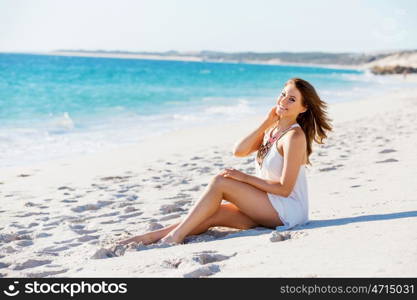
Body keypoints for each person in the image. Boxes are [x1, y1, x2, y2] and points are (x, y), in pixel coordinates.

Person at [118, 77, 332, 246]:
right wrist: (266, 122)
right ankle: (152, 236)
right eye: (283, 95)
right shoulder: (273, 130)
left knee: (221, 182)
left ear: (303, 108)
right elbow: (238, 151)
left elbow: (285, 189)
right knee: (212, 214)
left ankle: (174, 237)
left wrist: (243, 178)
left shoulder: (294, 137)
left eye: (291, 99)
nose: (283, 101)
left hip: (287, 211)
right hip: (267, 204)